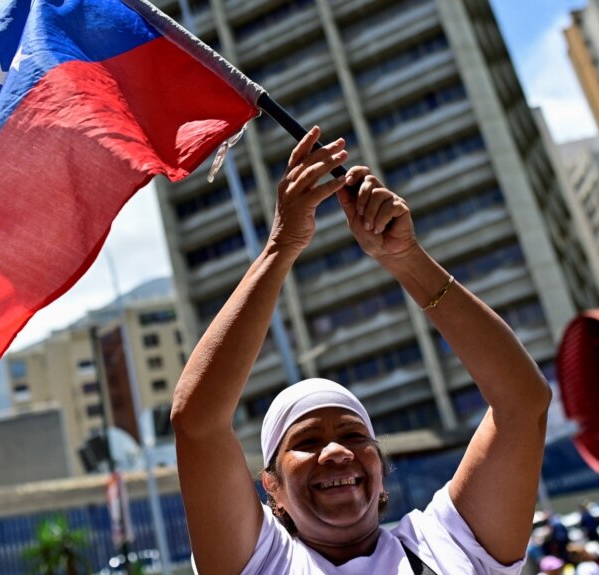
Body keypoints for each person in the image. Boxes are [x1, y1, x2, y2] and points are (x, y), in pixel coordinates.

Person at [171, 126, 552, 573]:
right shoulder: (261, 563)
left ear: (379, 463)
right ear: (271, 487)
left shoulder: (449, 545)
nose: (336, 453)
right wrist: (281, 247)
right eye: (307, 442)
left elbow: (523, 403)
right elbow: (198, 423)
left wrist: (406, 258)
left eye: (353, 436)